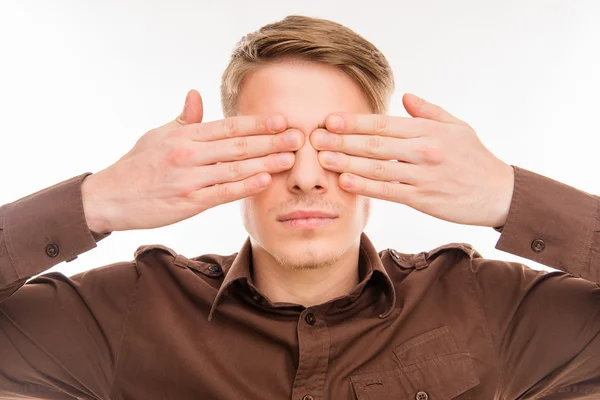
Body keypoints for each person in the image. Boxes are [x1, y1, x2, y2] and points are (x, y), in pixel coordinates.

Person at [0, 14, 598, 400]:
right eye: (274, 146)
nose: (308, 178)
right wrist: (96, 202)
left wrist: (508, 197)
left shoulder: (482, 304)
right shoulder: (131, 313)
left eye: (337, 145)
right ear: (223, 158)